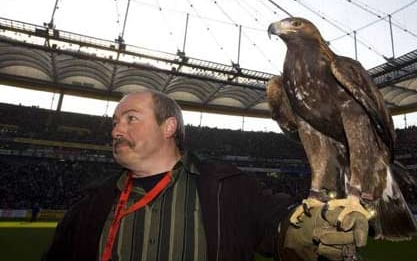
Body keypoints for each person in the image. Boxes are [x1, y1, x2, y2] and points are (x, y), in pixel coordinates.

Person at [42, 89, 369, 261]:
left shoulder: (226, 186)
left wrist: (305, 232)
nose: (116, 129)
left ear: (168, 126)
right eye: (115, 121)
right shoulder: (89, 205)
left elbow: (276, 225)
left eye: (130, 118)